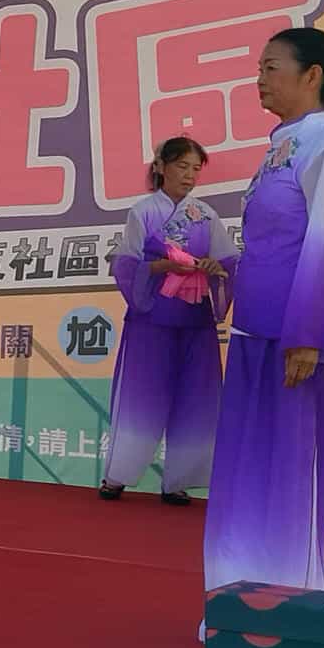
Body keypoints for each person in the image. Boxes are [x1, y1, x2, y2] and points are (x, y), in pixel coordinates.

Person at [203, 27, 324, 595]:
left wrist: (308, 336)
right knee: (247, 470)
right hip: (256, 333)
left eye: (271, 67)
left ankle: (290, 600)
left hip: (298, 343)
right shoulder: (283, 145)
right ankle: (236, 594)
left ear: (312, 76)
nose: (259, 78)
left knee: (288, 476)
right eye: (259, 67)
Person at [99, 136, 237, 504]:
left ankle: (178, 480)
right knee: (140, 397)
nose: (189, 175)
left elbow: (228, 262)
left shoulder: (206, 215)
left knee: (195, 398)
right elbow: (127, 265)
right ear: (161, 167)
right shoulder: (143, 212)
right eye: (182, 166)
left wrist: (213, 268)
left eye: (196, 169)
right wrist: (162, 266)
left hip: (195, 320)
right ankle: (118, 474)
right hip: (152, 318)